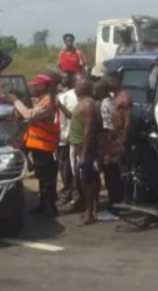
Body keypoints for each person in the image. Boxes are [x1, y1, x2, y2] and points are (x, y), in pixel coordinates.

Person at [7, 74, 59, 217]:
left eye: (37, 85)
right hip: (38, 145)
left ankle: (50, 208)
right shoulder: (42, 99)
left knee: (47, 179)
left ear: (45, 86)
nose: (33, 88)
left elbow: (30, 115)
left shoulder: (49, 101)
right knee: (42, 176)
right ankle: (43, 205)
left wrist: (16, 100)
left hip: (45, 146)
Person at [70, 78, 102, 226]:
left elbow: (88, 130)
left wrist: (83, 154)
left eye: (77, 85)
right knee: (88, 179)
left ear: (84, 88)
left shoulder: (88, 104)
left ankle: (89, 212)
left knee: (87, 180)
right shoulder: (82, 102)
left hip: (86, 148)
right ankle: (93, 209)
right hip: (80, 146)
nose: (75, 87)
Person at [102, 75, 131, 216]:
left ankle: (117, 205)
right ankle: (115, 203)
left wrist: (122, 141)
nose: (109, 83)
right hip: (112, 138)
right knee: (110, 173)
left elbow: (127, 122)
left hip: (117, 140)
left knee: (114, 173)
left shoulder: (123, 98)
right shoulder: (113, 98)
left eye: (111, 80)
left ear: (117, 81)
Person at [55, 74, 82, 207]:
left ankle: (73, 194)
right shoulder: (65, 97)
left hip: (74, 139)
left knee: (73, 168)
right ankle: (70, 193)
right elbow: (62, 119)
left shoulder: (87, 98)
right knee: (69, 168)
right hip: (69, 138)